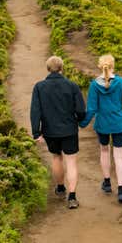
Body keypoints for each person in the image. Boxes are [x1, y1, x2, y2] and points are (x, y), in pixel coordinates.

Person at [30, 56, 86, 209]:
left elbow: (35, 111)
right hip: (69, 129)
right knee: (71, 161)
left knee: (56, 157)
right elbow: (81, 110)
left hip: (50, 131)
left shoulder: (39, 87)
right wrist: (79, 120)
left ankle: (61, 188)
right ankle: (72, 197)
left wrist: (36, 132)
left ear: (48, 69)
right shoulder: (72, 86)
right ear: (62, 68)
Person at [79, 54, 122, 204]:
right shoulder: (121, 83)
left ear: (99, 66)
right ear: (113, 66)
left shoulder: (94, 85)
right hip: (119, 124)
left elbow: (91, 108)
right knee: (119, 156)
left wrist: (83, 124)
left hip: (102, 124)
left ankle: (107, 183)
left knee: (104, 150)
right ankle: (121, 190)